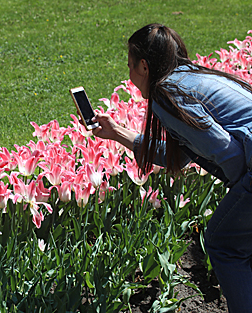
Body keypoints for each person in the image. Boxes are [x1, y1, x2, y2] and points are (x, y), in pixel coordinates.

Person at [90, 23, 252, 313]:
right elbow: (181, 158)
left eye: (130, 66)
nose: (129, 76)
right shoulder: (190, 77)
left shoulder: (168, 93)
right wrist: (117, 133)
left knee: (222, 244)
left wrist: (240, 192)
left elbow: (227, 154)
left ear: (143, 65)